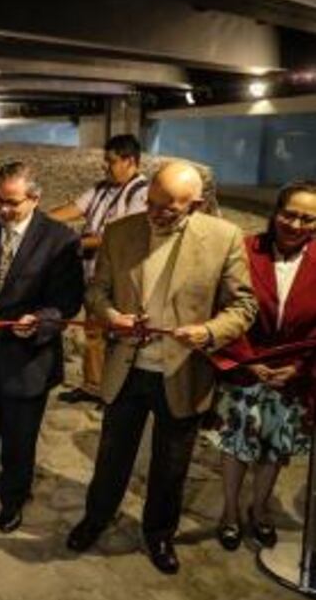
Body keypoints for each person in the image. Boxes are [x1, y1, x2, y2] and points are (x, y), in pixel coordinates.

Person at [67, 161, 257, 575]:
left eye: (168, 209)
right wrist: (111, 314)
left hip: (183, 370)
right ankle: (95, 519)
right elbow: (97, 290)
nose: (154, 213)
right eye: (151, 202)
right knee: (112, 455)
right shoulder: (119, 232)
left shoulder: (224, 239)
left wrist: (208, 332)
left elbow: (244, 307)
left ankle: (159, 534)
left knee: (171, 464)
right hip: (128, 367)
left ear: (197, 205)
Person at [0, 162, 84, 534]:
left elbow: (67, 301)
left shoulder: (61, 240)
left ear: (35, 199)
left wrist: (40, 321)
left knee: (20, 438)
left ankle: (13, 498)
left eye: (12, 203)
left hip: (27, 360)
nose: (3, 210)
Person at [211, 181, 316, 551]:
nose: (297, 224)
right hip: (246, 365)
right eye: (290, 214)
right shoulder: (244, 249)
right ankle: (229, 513)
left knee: (275, 447)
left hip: (292, 374)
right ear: (276, 212)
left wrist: (299, 368)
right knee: (236, 445)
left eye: (308, 218)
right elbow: (224, 305)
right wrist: (248, 360)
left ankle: (259, 510)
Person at [50, 134, 148, 405]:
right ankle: (93, 386)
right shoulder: (102, 188)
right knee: (93, 333)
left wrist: (75, 243)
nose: (105, 166)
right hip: (94, 274)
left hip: (120, 279)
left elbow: (120, 237)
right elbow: (73, 209)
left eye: (111, 161)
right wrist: (39, 220)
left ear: (130, 161)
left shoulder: (141, 194)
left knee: (117, 337)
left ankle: (114, 391)